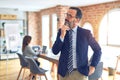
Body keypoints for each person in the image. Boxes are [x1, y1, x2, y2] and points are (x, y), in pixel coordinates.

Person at [52, 7, 102, 80]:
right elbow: (55, 51)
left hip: (80, 73)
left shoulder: (86, 33)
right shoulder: (61, 31)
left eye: (70, 16)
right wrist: (62, 35)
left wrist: (93, 66)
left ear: (77, 20)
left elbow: (98, 50)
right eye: (66, 14)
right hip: (64, 73)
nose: (66, 18)